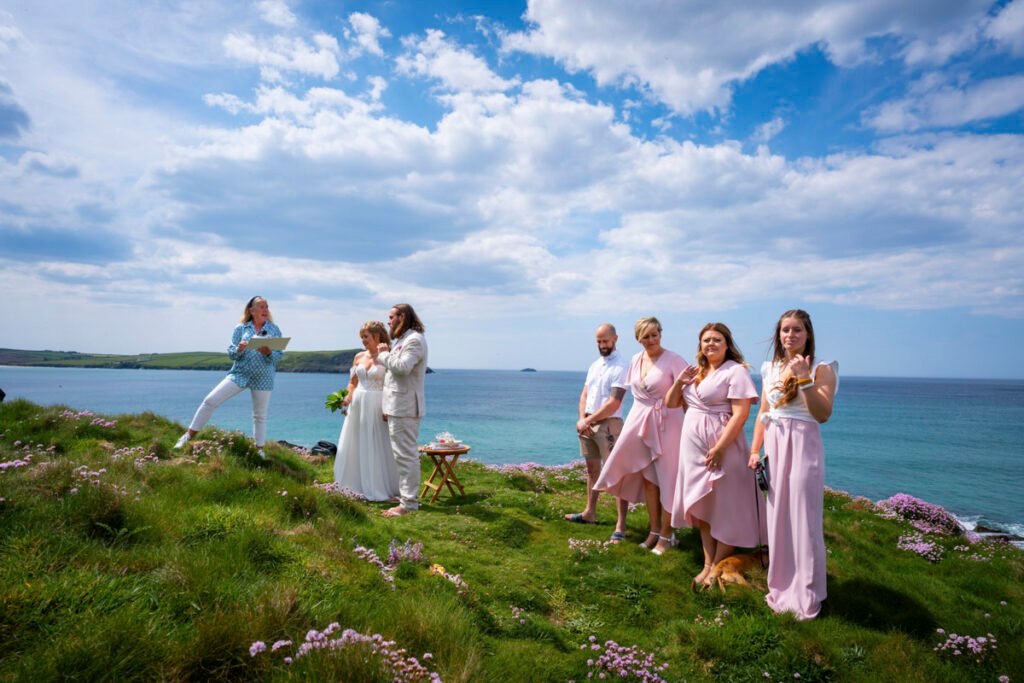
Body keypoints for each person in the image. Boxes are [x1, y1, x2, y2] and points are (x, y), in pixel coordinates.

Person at [748, 309, 838, 620]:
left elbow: (822, 414)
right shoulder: (769, 367)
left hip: (803, 446)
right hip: (774, 445)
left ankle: (808, 593)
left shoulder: (822, 369)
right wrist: (755, 450)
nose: (790, 335)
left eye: (796, 330)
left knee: (804, 520)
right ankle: (781, 584)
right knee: (778, 519)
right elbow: (764, 411)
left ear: (808, 334)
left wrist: (804, 379)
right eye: (785, 330)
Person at [668, 322, 763, 588]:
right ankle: (709, 563)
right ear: (700, 344)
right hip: (694, 450)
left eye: (717, 340)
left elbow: (741, 413)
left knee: (726, 507)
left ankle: (719, 564)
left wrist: (720, 447)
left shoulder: (735, 371)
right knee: (705, 505)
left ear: (727, 344)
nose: (711, 344)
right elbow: (672, 403)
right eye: (706, 340)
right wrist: (679, 381)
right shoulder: (697, 371)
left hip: (724, 448)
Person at [594, 317, 694, 554]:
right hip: (640, 422)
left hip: (668, 424)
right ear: (638, 338)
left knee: (668, 479)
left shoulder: (675, 360)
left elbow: (689, 396)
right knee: (649, 479)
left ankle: (668, 536)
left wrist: (692, 427)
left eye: (654, 335)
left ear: (661, 333)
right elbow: (636, 396)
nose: (650, 340)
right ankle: (654, 531)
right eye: (645, 336)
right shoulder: (635, 360)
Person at [174, 296, 283, 457]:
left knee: (259, 415)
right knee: (210, 401)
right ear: (252, 310)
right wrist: (239, 349)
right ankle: (187, 436)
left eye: (266, 306)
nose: (265, 310)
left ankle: (260, 450)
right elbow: (232, 354)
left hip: (263, 377)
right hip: (240, 374)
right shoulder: (241, 328)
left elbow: (278, 356)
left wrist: (269, 353)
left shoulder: (274, 329)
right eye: (261, 307)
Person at [564, 323, 630, 525]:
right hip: (588, 423)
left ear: (615, 339)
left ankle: (621, 525)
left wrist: (588, 420)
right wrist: (581, 418)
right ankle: (589, 513)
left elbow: (614, 403)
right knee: (592, 470)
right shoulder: (594, 365)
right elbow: (584, 394)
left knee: (617, 474)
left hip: (609, 424)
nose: (602, 345)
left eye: (605, 341)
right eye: (599, 341)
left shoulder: (621, 366)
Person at [367, 303, 428, 517]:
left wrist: (383, 355)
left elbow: (402, 369)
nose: (388, 322)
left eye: (391, 317)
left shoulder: (414, 340)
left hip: (405, 407)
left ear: (402, 317)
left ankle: (409, 504)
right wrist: (386, 406)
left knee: (406, 455)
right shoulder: (404, 340)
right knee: (401, 455)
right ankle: (406, 498)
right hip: (397, 406)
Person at [333, 321, 400, 501]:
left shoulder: (388, 356)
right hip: (358, 403)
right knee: (357, 441)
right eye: (361, 337)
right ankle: (355, 485)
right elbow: (353, 382)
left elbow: (391, 385)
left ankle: (381, 488)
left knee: (378, 443)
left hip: (378, 403)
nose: (363, 340)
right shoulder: (358, 357)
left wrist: (388, 408)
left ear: (377, 336)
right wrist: (347, 397)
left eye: (366, 336)